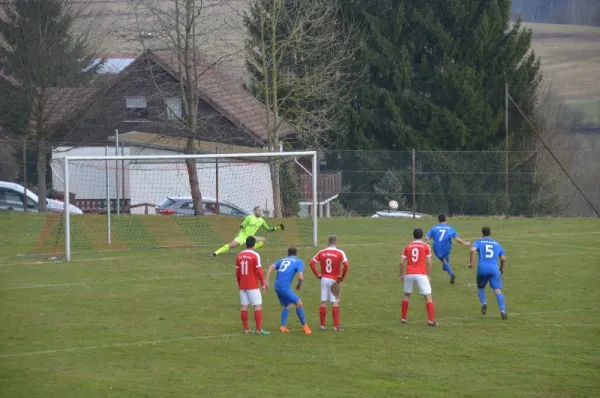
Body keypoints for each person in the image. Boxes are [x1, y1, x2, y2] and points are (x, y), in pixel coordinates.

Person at [265, 247, 312, 335]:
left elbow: (271, 267)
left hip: (277, 285)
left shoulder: (281, 260)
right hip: (284, 287)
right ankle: (305, 326)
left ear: (288, 254)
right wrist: (299, 285)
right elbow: (301, 277)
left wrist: (266, 280)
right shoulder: (298, 261)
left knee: (288, 305)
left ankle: (283, 327)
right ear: (296, 254)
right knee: (299, 303)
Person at [309, 235, 349, 331]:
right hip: (334, 279)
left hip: (324, 279)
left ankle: (322, 326)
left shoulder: (322, 252)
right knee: (334, 302)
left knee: (323, 302)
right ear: (336, 242)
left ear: (328, 242)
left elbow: (311, 263)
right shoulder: (339, 252)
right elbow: (346, 265)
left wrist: (318, 275)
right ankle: (336, 327)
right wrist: (342, 277)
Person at [210, 206, 284, 257]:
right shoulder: (249, 217)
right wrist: (242, 226)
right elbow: (243, 223)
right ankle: (215, 253)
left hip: (250, 237)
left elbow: (268, 229)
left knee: (263, 240)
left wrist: (277, 227)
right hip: (243, 236)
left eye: (260, 211)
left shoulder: (261, 220)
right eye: (258, 210)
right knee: (231, 245)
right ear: (254, 211)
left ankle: (247, 251)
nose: (260, 212)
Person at [400, 228, 437, 326]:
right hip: (421, 274)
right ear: (422, 235)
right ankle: (431, 321)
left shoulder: (408, 246)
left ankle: (403, 319)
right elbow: (429, 263)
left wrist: (401, 274)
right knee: (428, 296)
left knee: (407, 294)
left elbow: (401, 262)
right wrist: (429, 275)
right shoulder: (426, 246)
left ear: (413, 235)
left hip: (409, 273)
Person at [469, 227, 508, 320]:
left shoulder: (479, 241)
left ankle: (484, 303)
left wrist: (471, 263)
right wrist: (502, 268)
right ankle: (503, 311)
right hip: (494, 270)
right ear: (490, 233)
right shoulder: (497, 244)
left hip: (482, 269)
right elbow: (503, 258)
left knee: (481, 287)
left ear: (482, 233)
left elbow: (472, 250)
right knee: (497, 290)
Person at [235, 236, 269, 334]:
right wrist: (263, 283)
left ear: (246, 244)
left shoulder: (239, 255)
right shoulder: (255, 255)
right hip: (252, 285)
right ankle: (258, 330)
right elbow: (258, 271)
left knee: (244, 306)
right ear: (254, 245)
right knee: (257, 306)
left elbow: (237, 272)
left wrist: (239, 283)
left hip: (243, 285)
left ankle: (246, 329)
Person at [425, 213, 471, 284]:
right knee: (445, 255)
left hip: (437, 248)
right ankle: (445, 266)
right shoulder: (451, 228)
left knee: (443, 260)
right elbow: (457, 239)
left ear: (438, 220)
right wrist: (465, 243)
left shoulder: (434, 228)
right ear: (446, 220)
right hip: (447, 247)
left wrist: (431, 237)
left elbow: (427, 238)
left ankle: (451, 274)